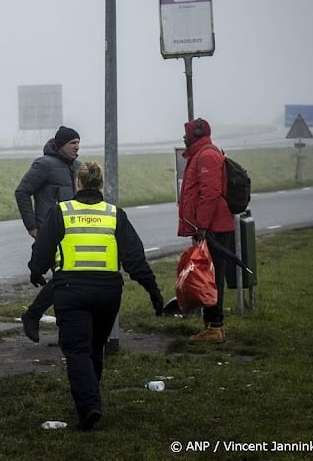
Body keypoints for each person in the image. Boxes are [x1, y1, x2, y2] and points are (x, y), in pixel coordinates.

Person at [28, 161, 164, 430]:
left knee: (77, 351)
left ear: (78, 183)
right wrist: (153, 291)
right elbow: (135, 259)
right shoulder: (115, 215)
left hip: (71, 291)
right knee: (94, 349)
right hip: (107, 293)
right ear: (100, 184)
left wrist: (36, 271)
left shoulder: (62, 212)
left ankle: (89, 406)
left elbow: (43, 249)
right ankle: (91, 399)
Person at [14, 125, 82, 342]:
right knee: (65, 280)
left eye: (78, 143)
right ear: (61, 145)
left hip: (72, 234)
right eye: (73, 143)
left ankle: (50, 324)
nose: (77, 147)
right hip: (49, 232)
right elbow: (22, 192)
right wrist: (32, 226)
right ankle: (34, 316)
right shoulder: (44, 165)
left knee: (67, 281)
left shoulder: (78, 167)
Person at [177, 117, 235, 344]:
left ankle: (215, 327)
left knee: (211, 278)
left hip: (214, 228)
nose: (184, 137)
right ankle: (212, 325)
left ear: (197, 134)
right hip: (211, 227)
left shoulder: (207, 156)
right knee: (208, 277)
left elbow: (210, 194)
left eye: (187, 133)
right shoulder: (200, 154)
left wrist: (201, 225)